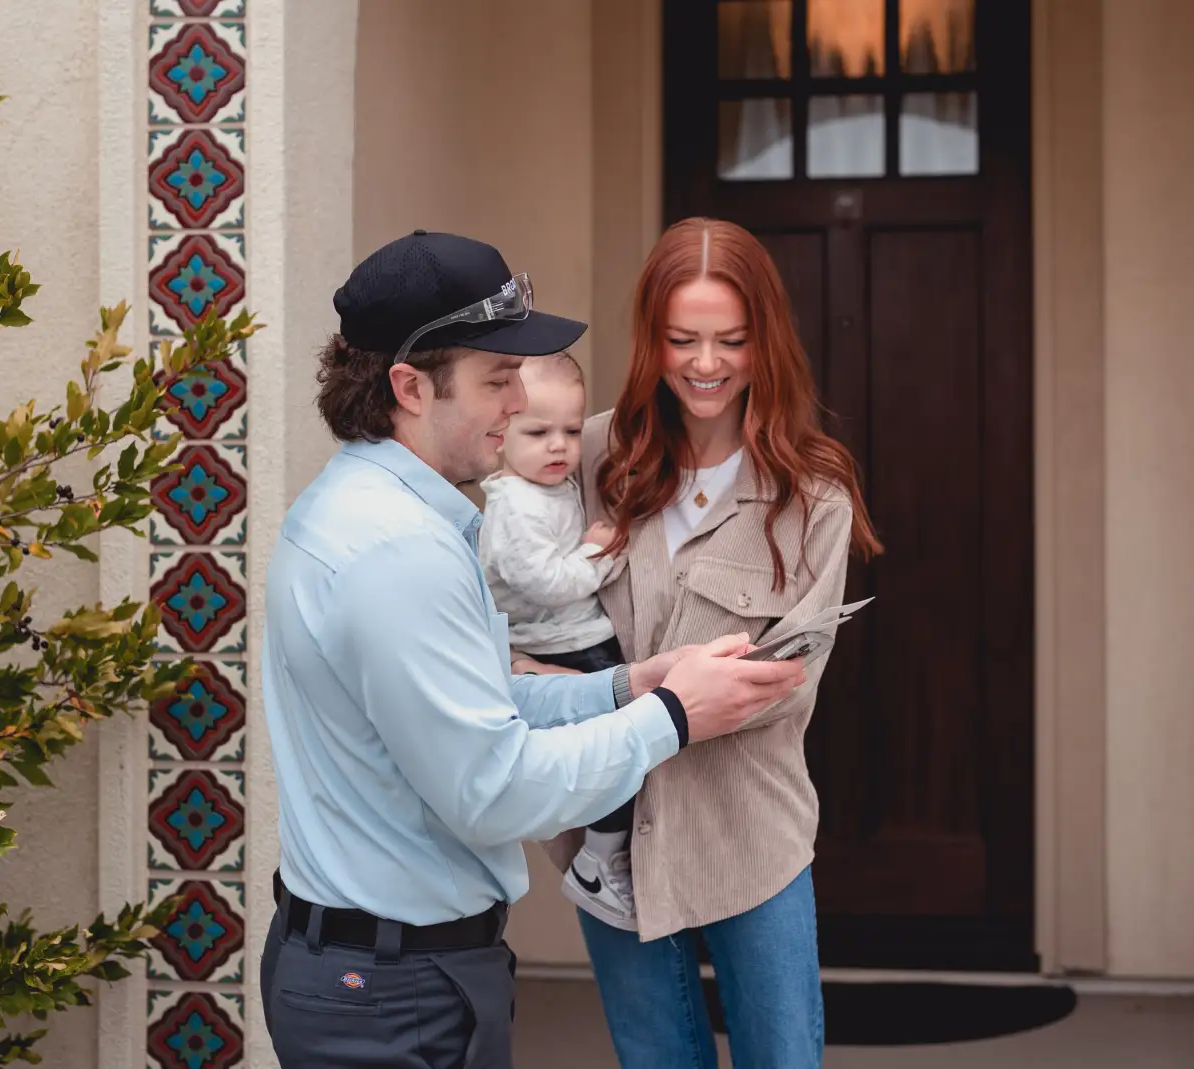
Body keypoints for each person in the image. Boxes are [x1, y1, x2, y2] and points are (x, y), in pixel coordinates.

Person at [257, 229, 809, 1069]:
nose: (521, 403)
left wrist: (622, 686)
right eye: (497, 378)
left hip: (400, 971)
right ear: (410, 386)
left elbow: (485, 705)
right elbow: (495, 789)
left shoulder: (382, 513)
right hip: (391, 993)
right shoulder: (395, 553)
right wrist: (671, 715)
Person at [532, 217, 883, 1069]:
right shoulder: (584, 457)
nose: (705, 363)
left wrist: (628, 690)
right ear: (650, 337)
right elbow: (514, 613)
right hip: (608, 839)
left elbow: (787, 686)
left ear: (767, 340)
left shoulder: (814, 493)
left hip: (749, 837)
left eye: (732, 339)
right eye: (681, 338)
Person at [476, 352, 638, 932]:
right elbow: (546, 582)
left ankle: (606, 852)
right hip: (563, 650)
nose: (559, 446)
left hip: (581, 639)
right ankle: (597, 860)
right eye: (539, 432)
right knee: (625, 753)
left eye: (572, 431)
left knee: (630, 754)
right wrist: (599, 550)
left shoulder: (553, 487)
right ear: (502, 435)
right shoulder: (513, 506)